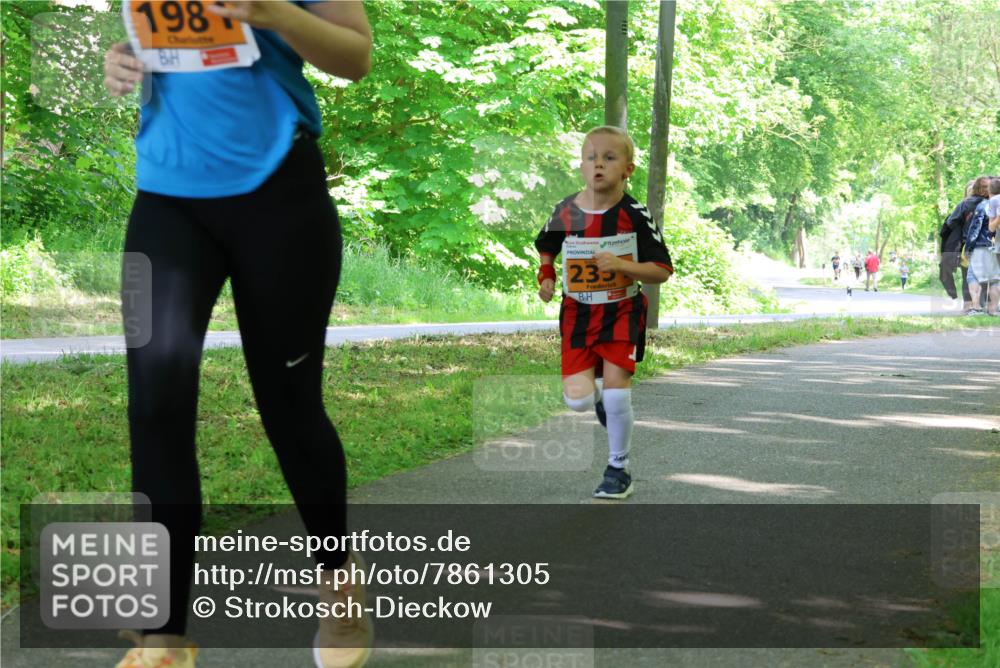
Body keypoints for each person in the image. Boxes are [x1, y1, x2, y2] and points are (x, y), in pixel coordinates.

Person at [103, 3, 373, 667]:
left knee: (290, 408)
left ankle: (338, 583)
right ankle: (164, 635)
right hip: (163, 201)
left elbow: (356, 57)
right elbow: (163, 43)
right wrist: (123, 58)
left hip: (279, 198)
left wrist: (277, 13)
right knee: (154, 408)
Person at [534, 126, 672, 500]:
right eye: (591, 157)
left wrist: (623, 266)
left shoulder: (634, 215)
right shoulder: (567, 210)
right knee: (577, 400)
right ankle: (592, 399)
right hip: (578, 314)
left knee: (617, 396)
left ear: (627, 168)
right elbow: (547, 246)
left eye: (609, 158)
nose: (599, 165)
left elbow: (661, 270)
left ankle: (618, 468)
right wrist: (546, 275)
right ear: (581, 166)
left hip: (621, 314)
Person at [940, 178, 988, 309]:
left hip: (983, 245)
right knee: (967, 274)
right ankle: (968, 305)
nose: (973, 193)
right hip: (965, 246)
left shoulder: (985, 204)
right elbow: (951, 224)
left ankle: (980, 305)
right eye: (970, 190)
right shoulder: (963, 206)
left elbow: (950, 223)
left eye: (975, 190)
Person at [964, 188, 1000, 315]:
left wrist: (968, 247)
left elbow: (976, 228)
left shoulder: (984, 205)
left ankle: (976, 307)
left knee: (973, 276)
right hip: (995, 245)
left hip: (981, 245)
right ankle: (993, 309)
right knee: (995, 279)